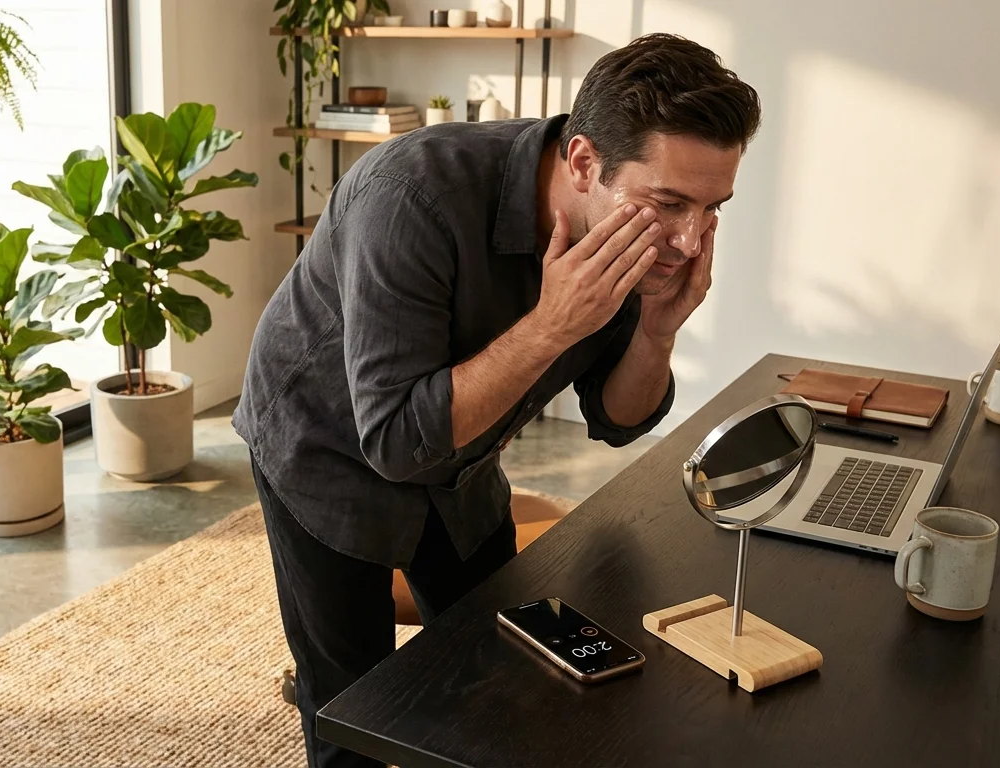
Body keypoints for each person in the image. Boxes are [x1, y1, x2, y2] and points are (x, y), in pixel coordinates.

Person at [233, 33, 762, 768]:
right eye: (668, 202)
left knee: (505, 657)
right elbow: (392, 440)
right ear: (584, 163)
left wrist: (657, 332)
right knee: (351, 707)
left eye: (711, 208)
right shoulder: (411, 192)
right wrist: (550, 327)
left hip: (464, 454)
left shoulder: (627, 237)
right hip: (326, 441)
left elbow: (616, 419)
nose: (685, 239)